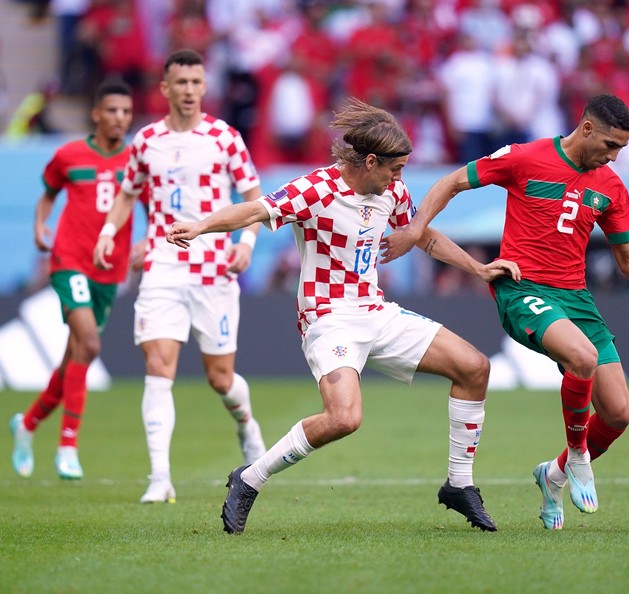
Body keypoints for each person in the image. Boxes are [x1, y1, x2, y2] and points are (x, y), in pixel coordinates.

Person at [166, 98, 521, 534]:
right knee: (344, 418)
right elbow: (255, 210)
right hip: (328, 317)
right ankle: (249, 478)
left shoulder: (390, 191)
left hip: (376, 311)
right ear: (370, 161)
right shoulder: (315, 189)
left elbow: (421, 236)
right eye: (394, 169)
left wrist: (479, 268)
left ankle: (459, 485)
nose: (400, 178)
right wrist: (201, 226)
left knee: (474, 367)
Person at [381, 94, 629, 531]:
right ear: (586, 128)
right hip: (521, 289)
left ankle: (552, 476)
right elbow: (452, 181)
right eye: (610, 145)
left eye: (621, 149)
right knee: (582, 358)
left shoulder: (610, 186)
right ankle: (579, 458)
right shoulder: (524, 158)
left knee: (619, 414)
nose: (614, 156)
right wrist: (416, 228)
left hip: (576, 299)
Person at [93, 49, 267, 504]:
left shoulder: (224, 138)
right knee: (158, 367)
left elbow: (256, 200)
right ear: (165, 88)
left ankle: (247, 425)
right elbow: (128, 193)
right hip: (162, 265)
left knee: (220, 378)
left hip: (214, 268)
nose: (189, 90)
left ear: (203, 87)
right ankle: (159, 476)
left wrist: (245, 245)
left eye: (196, 82)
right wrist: (110, 231)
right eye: (181, 83)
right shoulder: (146, 140)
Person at [9, 80, 136, 481]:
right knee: (90, 343)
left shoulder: (136, 161)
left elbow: (153, 204)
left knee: (72, 361)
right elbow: (48, 192)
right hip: (70, 260)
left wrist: (150, 241)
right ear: (96, 114)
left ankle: (26, 425)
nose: (119, 118)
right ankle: (68, 445)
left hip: (109, 268)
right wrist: (40, 223)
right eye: (112, 110)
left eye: (126, 112)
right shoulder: (69, 155)